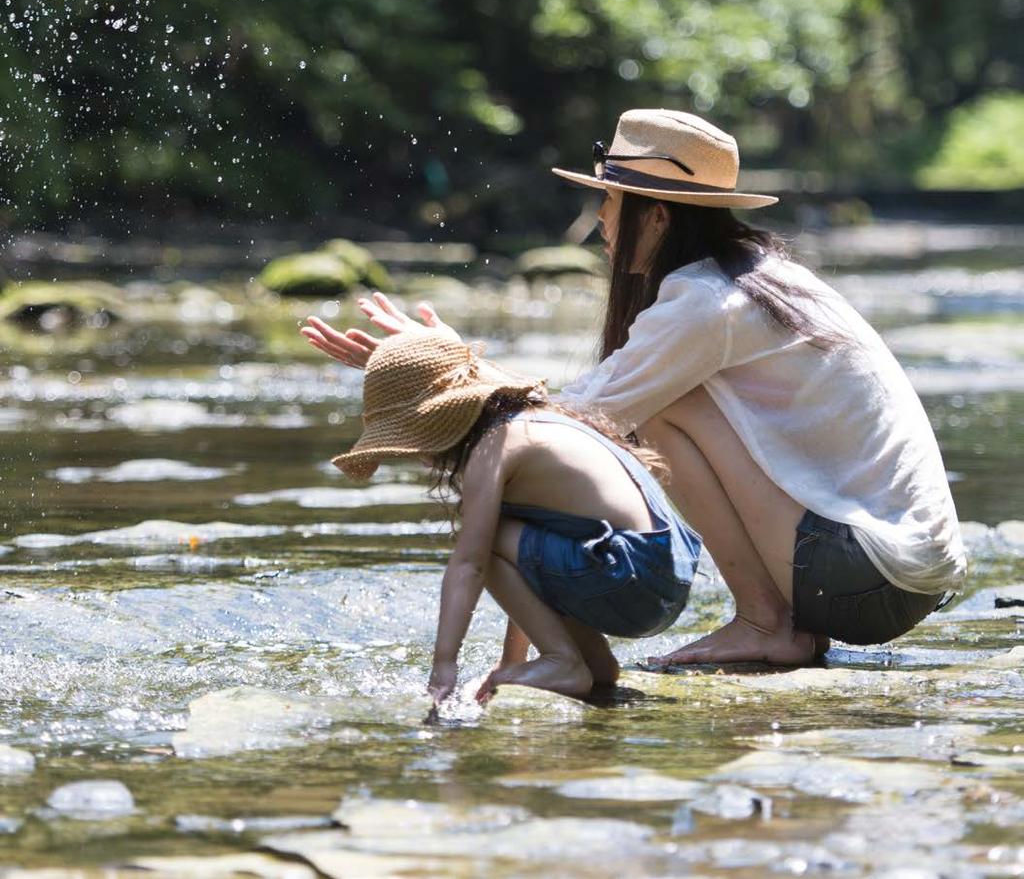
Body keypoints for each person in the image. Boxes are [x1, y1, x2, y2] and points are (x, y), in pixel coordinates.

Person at [302, 107, 967, 668]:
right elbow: (579, 402)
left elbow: (575, 417)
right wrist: (445, 366)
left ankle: (767, 625)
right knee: (652, 404)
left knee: (665, 407)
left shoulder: (706, 302)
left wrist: (443, 373)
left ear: (657, 216)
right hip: (896, 572)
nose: (599, 220)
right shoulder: (758, 275)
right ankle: (772, 620)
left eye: (611, 201)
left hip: (867, 576)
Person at [328, 329, 701, 703]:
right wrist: (512, 661)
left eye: (413, 438)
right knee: (525, 539)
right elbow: (530, 565)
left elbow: (470, 565)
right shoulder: (535, 420)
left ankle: (562, 660)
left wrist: (444, 665)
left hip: (630, 577)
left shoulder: (495, 448)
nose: (420, 456)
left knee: (488, 540)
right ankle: (590, 661)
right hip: (663, 574)